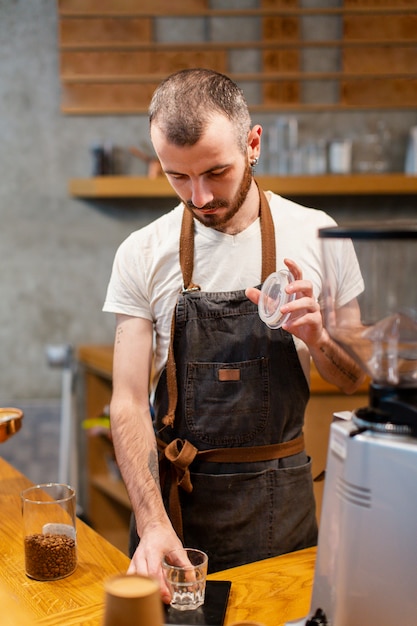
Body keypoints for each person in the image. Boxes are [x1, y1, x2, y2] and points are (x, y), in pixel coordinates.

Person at [103, 68, 365, 602]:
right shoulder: (140, 252)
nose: (199, 197)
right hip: (175, 515)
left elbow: (355, 375)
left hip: (282, 514)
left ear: (253, 144)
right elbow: (127, 402)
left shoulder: (321, 235)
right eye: (177, 178)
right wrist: (152, 522)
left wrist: (319, 338)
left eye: (215, 172)